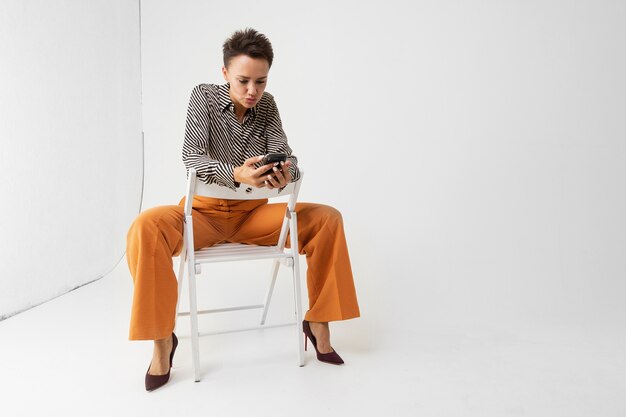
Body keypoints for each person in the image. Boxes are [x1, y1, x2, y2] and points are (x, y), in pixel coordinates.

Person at [126, 28, 360, 391]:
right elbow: (192, 158)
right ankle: (162, 340)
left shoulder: (267, 106)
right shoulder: (202, 97)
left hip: (253, 217)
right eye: (243, 80)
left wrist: (283, 175)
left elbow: (289, 157)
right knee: (145, 226)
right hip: (201, 215)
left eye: (261, 81)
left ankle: (318, 322)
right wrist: (235, 173)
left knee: (327, 218)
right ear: (224, 74)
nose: (253, 90)